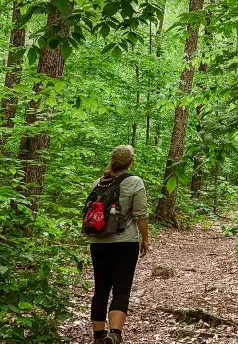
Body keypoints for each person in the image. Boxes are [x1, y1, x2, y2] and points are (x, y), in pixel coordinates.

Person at [88, 145, 149, 344]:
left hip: (98, 242)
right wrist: (145, 239)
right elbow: (141, 215)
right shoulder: (135, 182)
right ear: (130, 162)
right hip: (125, 242)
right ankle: (115, 334)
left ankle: (98, 336)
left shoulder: (98, 182)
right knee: (121, 290)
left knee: (101, 289)